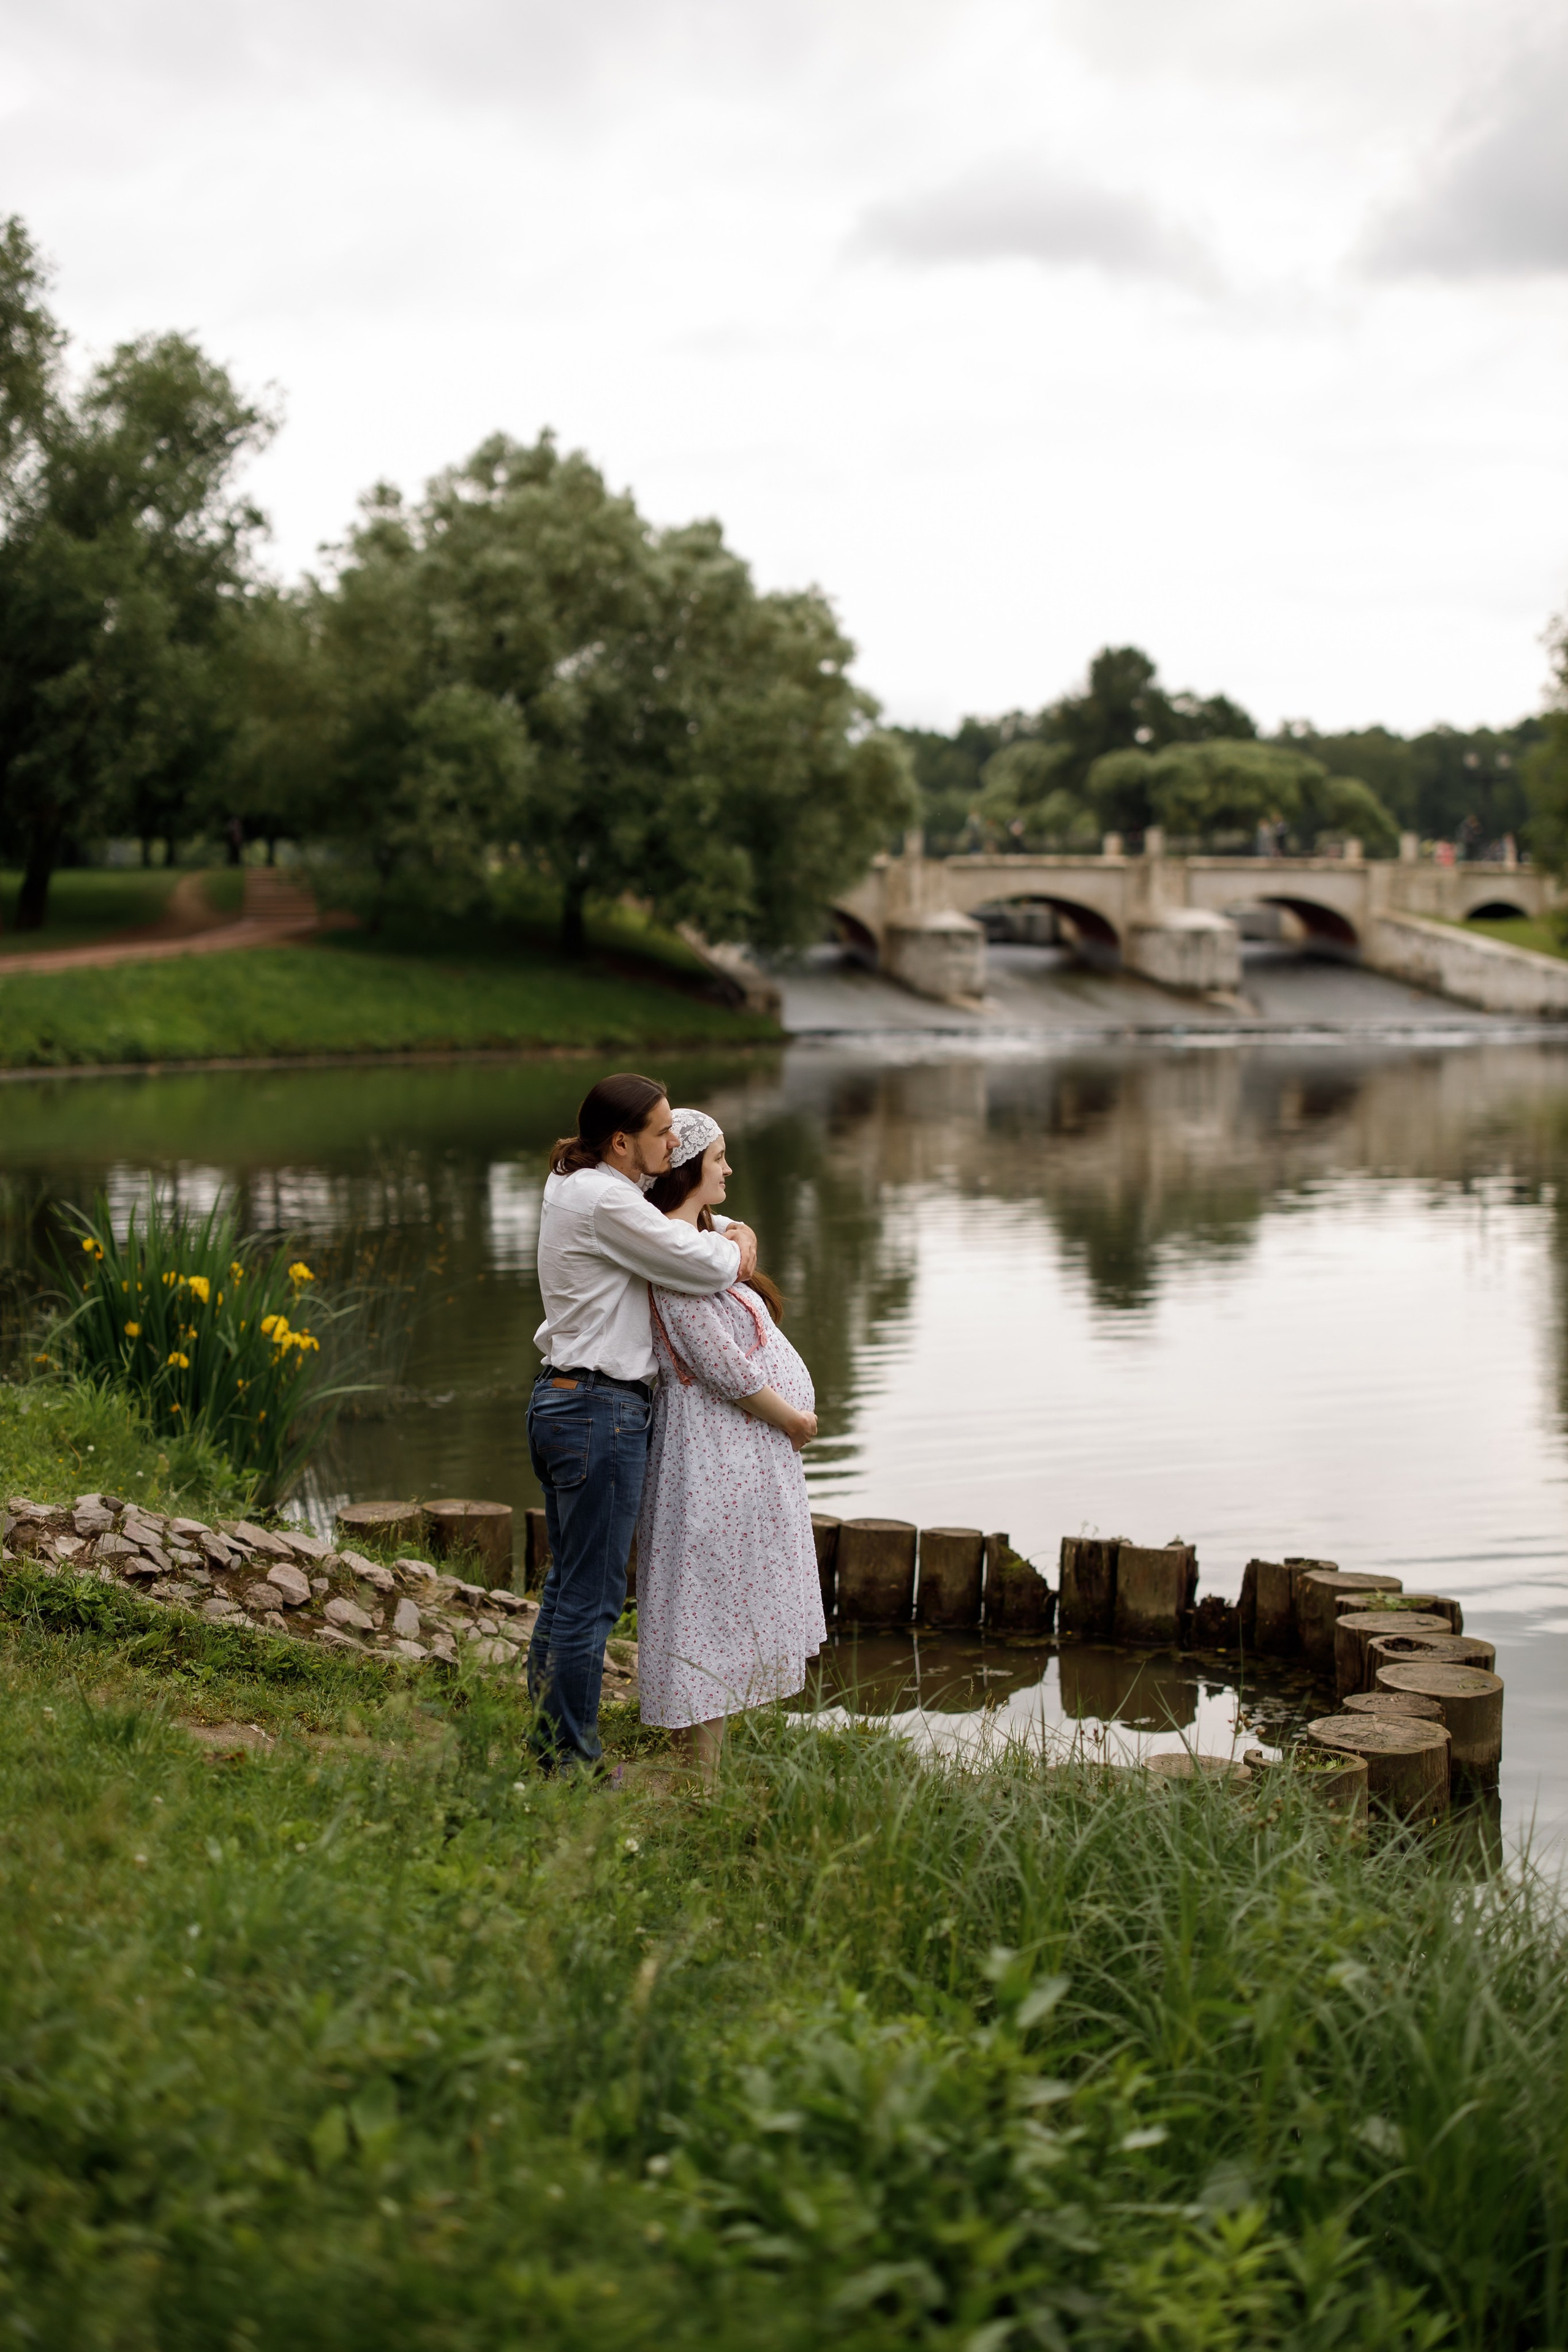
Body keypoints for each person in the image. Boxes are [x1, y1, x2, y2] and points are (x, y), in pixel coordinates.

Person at [527, 1074, 758, 1771]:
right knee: (590, 1602)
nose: (674, 1140)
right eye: (662, 1131)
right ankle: (569, 1763)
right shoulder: (605, 1199)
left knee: (569, 1587)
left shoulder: (583, 1185)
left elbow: (672, 1238)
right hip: (601, 1409)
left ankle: (549, 1747)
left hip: (566, 1402)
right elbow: (702, 1264)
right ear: (623, 1142)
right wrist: (738, 1243)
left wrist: (712, 1226)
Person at [636, 1109, 826, 1783]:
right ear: (688, 1167)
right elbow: (721, 1365)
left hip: (740, 1451)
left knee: (734, 1591)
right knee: (705, 1599)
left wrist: (740, 1230)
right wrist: (791, 1420)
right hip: (712, 1451)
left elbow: (736, 1232)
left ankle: (707, 1766)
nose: (729, 1169)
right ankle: (698, 1773)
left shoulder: (702, 1234)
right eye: (719, 1159)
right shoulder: (669, 1253)